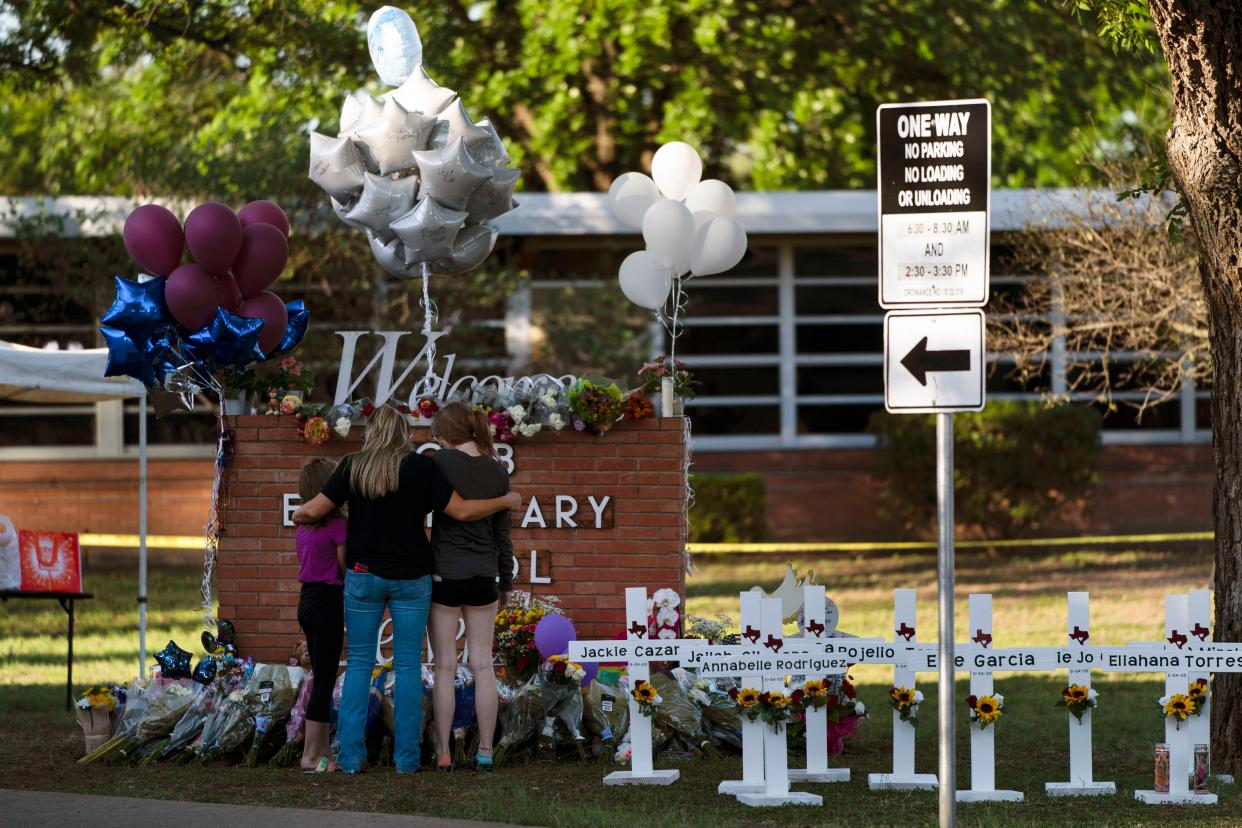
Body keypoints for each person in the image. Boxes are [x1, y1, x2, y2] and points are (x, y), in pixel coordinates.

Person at [292, 405, 520, 774]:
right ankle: (407, 760)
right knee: (410, 664)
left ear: (370, 432)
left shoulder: (352, 466)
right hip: (412, 577)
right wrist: (506, 500)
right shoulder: (421, 467)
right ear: (403, 433)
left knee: (361, 664)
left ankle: (350, 759)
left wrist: (313, 516)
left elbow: (311, 511)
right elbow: (461, 512)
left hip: (363, 575)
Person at [427, 402, 513, 771]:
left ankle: (444, 750)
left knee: (445, 665)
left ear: (446, 433)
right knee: (482, 665)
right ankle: (487, 750)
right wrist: (505, 580)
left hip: (445, 572)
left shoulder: (439, 463)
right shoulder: (497, 470)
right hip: (484, 573)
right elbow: (502, 535)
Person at [293, 458, 347, 773]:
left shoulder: (302, 525)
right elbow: (342, 568)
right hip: (328, 601)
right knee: (325, 680)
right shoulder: (339, 526)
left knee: (321, 677)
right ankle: (310, 756)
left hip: (307, 601)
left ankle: (323, 752)